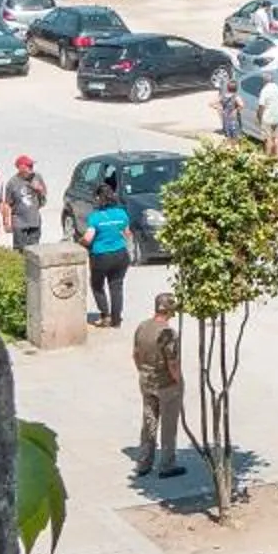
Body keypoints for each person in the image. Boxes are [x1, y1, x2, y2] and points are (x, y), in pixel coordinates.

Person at [131, 291, 186, 479]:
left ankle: (144, 462)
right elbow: (173, 363)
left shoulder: (142, 327)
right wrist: (178, 380)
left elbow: (136, 354)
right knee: (169, 424)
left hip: (146, 380)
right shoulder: (168, 333)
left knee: (148, 421)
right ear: (170, 310)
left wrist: (143, 371)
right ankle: (167, 464)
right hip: (166, 383)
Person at [82, 184, 132, 328]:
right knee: (116, 287)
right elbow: (127, 233)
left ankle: (105, 315)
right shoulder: (122, 213)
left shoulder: (95, 217)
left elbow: (88, 239)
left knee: (97, 285)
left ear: (98, 198)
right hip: (121, 254)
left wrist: (80, 241)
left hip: (101, 256)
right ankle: (116, 321)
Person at [5, 156, 48, 250]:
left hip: (34, 221)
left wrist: (39, 189)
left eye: (32, 165)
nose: (32, 168)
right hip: (19, 222)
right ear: (21, 168)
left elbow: (44, 194)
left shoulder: (37, 177)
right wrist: (7, 222)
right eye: (29, 166)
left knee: (34, 250)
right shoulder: (12, 183)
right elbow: (7, 204)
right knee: (20, 249)